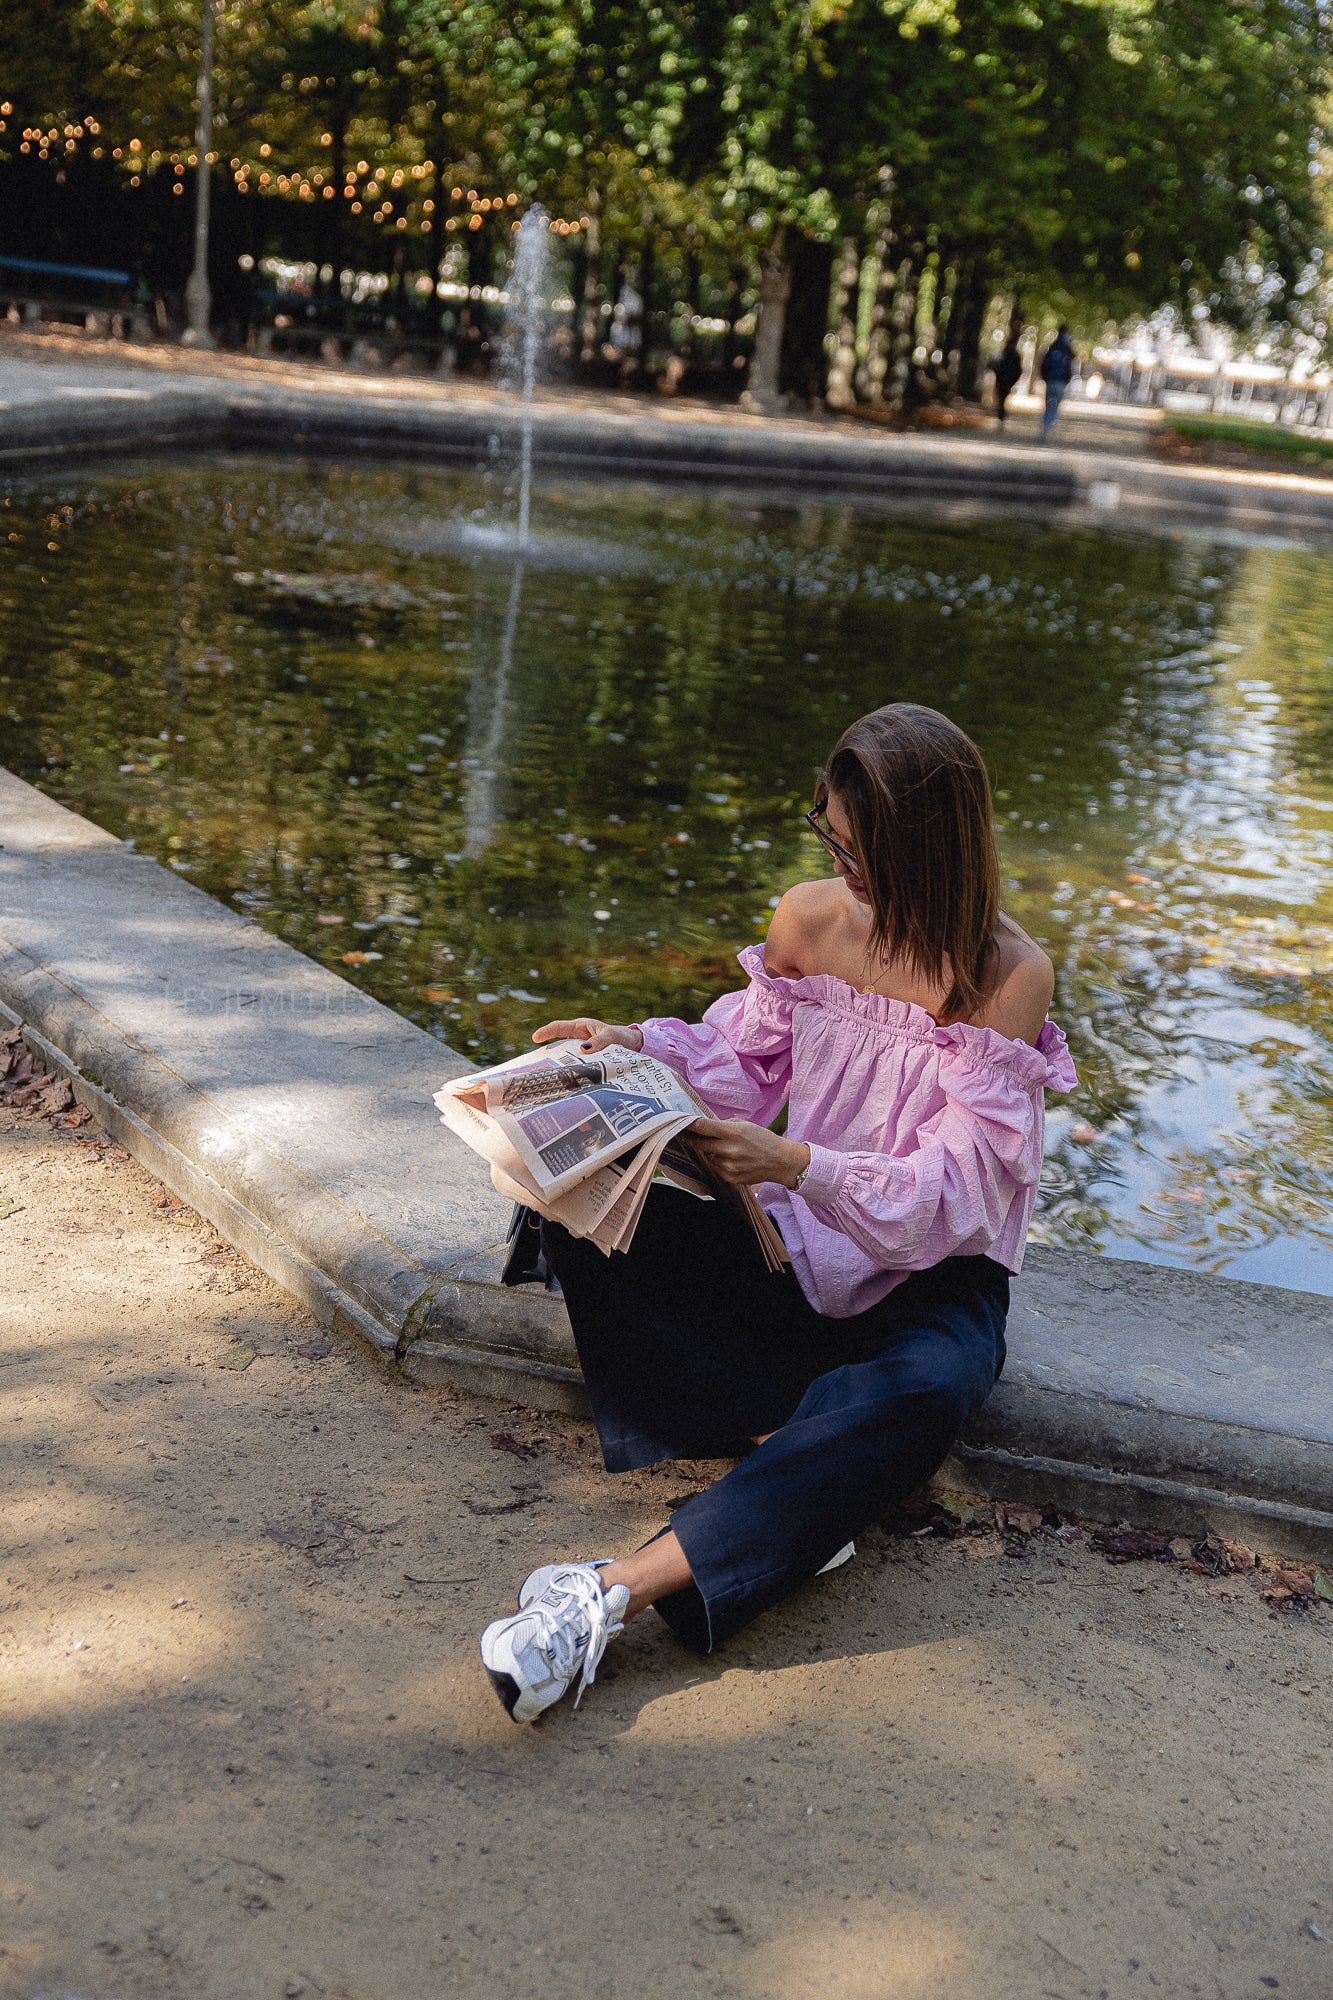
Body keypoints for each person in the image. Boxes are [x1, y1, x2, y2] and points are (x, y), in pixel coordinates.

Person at [479, 703, 1075, 1723]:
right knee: (573, 1206)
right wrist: (627, 1048)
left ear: (927, 845)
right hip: (795, 1244)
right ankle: (807, 1473)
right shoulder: (808, 919)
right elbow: (740, 1070)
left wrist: (797, 1162)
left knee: (933, 1388)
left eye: (860, 847)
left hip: (930, 1278)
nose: (839, 862)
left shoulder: (1005, 976)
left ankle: (606, 1591)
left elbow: (954, 1200)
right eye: (829, 837)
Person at [1039, 326, 1076, 438]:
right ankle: (1049, 425)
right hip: (1060, 382)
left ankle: (1046, 425)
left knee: (1048, 404)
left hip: (1050, 381)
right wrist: (1067, 379)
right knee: (1055, 405)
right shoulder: (1067, 348)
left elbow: (1044, 363)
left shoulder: (1052, 346)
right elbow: (1071, 363)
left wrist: (1044, 377)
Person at [990, 335, 1023, 424]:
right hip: (1008, 380)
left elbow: (995, 365)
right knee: (1003, 397)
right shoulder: (1015, 355)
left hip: (1001, 379)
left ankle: (1001, 414)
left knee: (1001, 397)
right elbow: (1019, 370)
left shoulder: (1003, 353)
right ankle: (1001, 414)